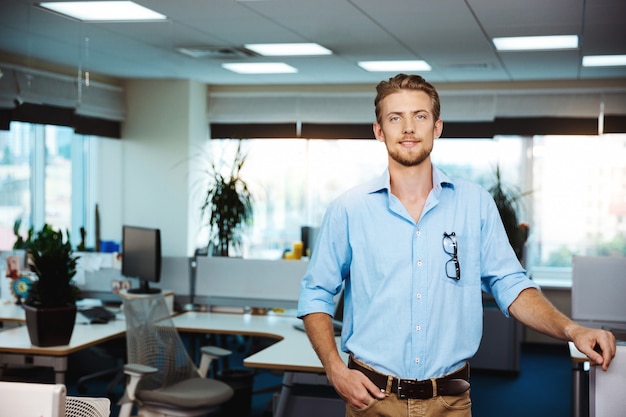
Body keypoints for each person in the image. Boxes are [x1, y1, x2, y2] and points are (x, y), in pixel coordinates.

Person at [297, 73, 616, 417]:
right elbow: (316, 292)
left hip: (450, 403)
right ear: (379, 131)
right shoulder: (349, 209)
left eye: (419, 116)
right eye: (395, 118)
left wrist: (573, 329)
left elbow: (510, 284)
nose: (408, 128)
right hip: (370, 400)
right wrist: (334, 369)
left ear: (436, 128)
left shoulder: (474, 203)